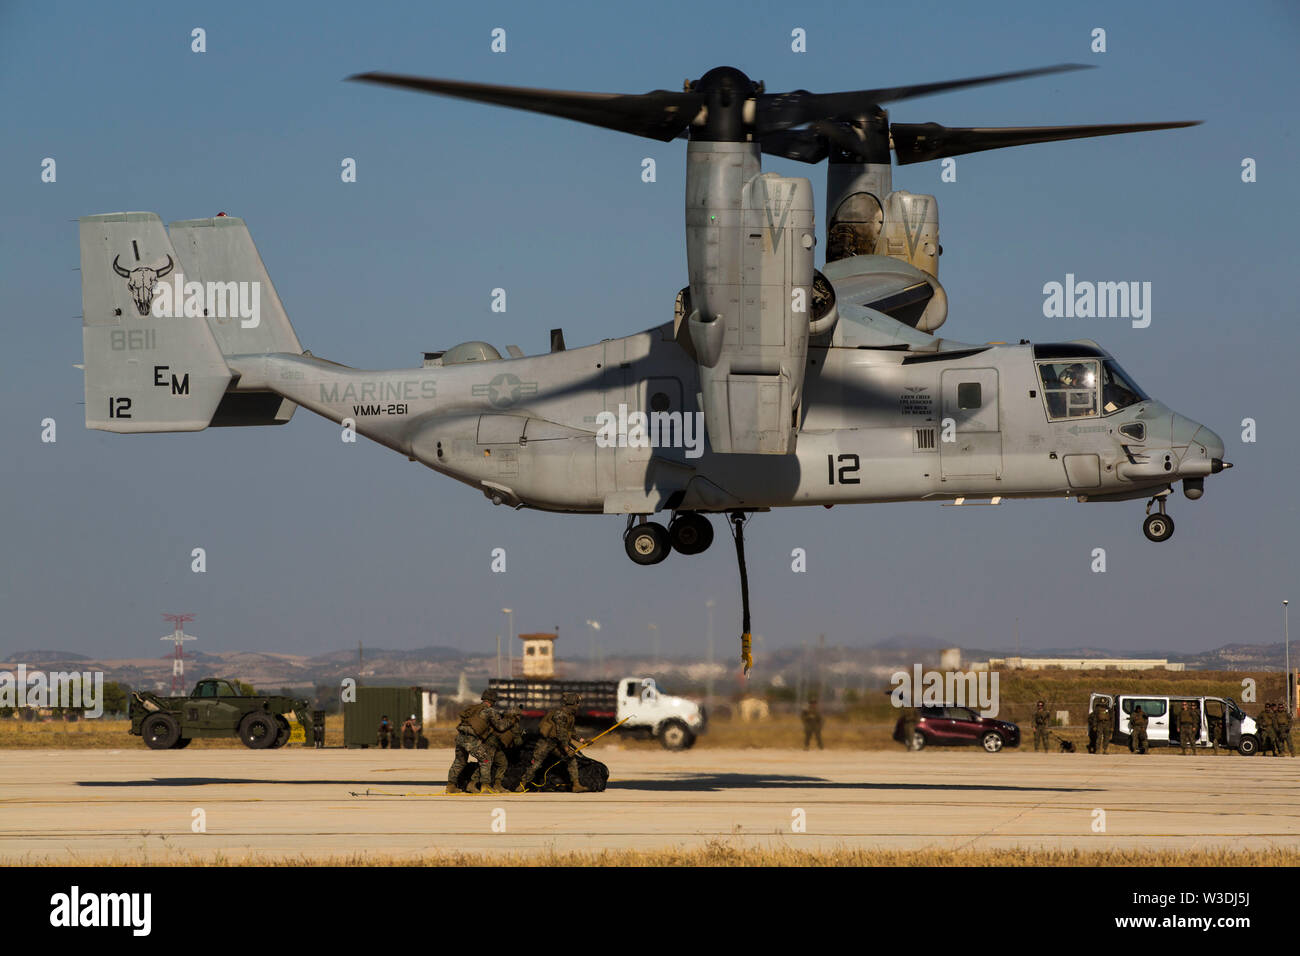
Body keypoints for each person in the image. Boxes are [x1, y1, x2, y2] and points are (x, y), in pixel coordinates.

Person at [515, 692, 589, 793]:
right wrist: (567, 749)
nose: (578, 705)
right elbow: (561, 733)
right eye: (577, 702)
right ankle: (522, 785)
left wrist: (583, 741)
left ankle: (576, 785)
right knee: (536, 764)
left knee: (571, 761)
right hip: (546, 743)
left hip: (558, 744)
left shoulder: (570, 715)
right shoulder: (560, 714)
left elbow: (571, 732)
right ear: (572, 703)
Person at [447, 689, 509, 794]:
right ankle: (485, 786)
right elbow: (501, 727)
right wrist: (510, 720)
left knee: (459, 761)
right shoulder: (490, 711)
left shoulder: (473, 708)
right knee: (486, 759)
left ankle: (451, 786)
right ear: (492, 701)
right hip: (470, 740)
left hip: (460, 738)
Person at [489, 706, 525, 791]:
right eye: (519, 715)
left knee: (501, 763)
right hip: (493, 746)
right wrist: (522, 735)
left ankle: (496, 785)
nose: (520, 717)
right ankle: (478, 784)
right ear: (515, 715)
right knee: (487, 764)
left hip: (491, 744)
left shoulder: (501, 720)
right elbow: (518, 742)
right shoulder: (514, 724)